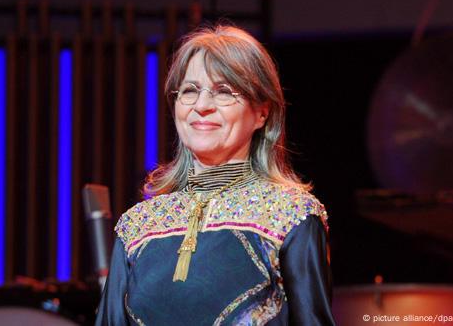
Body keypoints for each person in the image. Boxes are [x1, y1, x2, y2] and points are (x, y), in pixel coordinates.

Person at [95, 25, 335, 325]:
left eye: (224, 92)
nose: (202, 106)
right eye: (190, 91)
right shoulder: (138, 226)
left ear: (261, 113)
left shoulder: (292, 215)